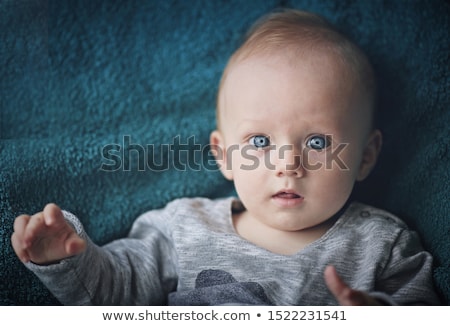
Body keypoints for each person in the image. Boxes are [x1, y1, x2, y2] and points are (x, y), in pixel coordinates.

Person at [11, 9, 440, 305]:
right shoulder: (183, 228)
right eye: (258, 142)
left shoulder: (380, 245)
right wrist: (69, 259)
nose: (287, 164)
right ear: (224, 155)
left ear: (365, 157)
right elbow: (116, 293)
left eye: (317, 143)